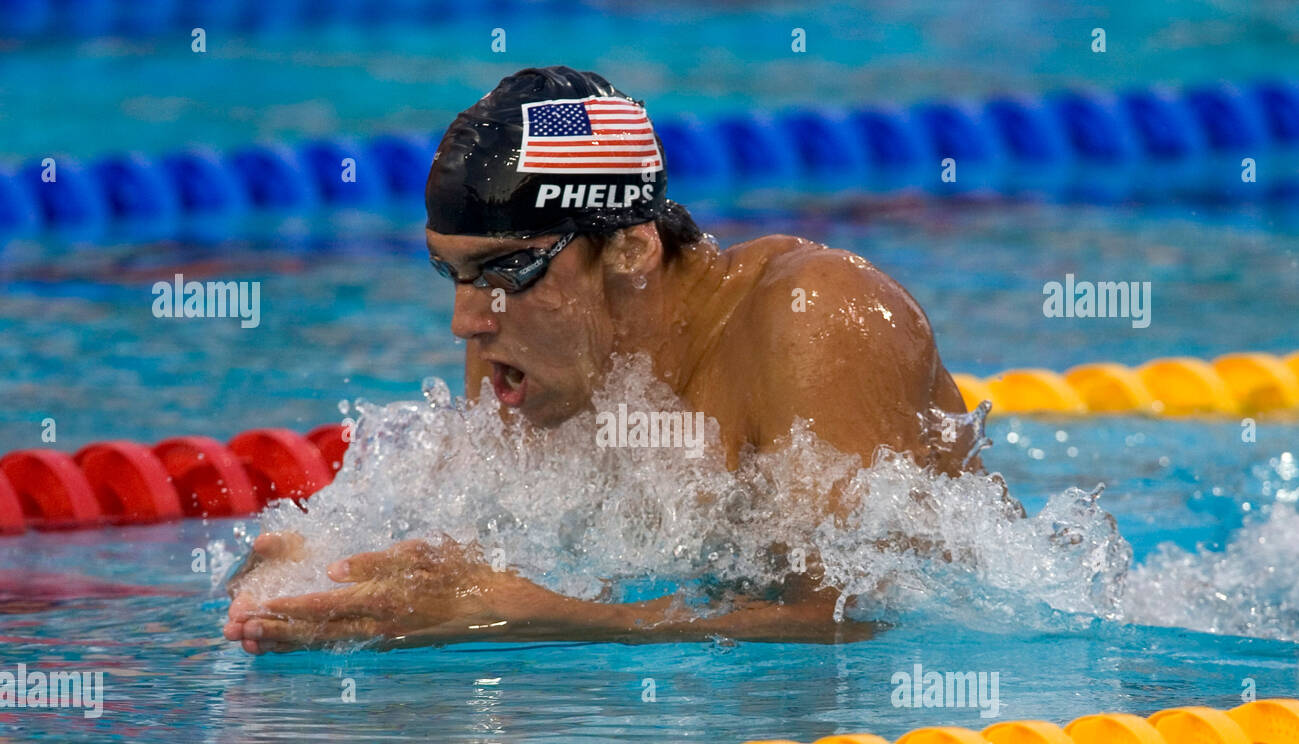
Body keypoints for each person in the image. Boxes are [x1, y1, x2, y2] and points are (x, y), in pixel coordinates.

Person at [224, 65, 974, 655]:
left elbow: (855, 618)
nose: (466, 322)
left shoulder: (811, 318)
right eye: (450, 273)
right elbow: (491, 558)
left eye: (506, 270)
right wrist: (321, 577)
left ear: (630, 246)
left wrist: (527, 615)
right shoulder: (522, 356)